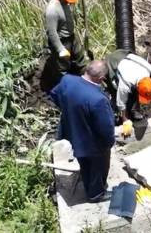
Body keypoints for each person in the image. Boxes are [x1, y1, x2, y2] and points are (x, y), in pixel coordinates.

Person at [49, 60, 115, 203]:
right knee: (98, 167)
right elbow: (105, 128)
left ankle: (88, 182)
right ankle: (96, 194)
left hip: (73, 131)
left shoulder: (67, 80)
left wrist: (70, 112)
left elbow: (54, 95)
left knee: (84, 162)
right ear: (101, 78)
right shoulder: (98, 99)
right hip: (92, 142)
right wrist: (109, 143)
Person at [104, 49, 151, 136]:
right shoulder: (126, 83)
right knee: (115, 92)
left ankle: (133, 111)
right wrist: (125, 120)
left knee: (132, 96)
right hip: (114, 62)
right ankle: (116, 116)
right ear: (137, 86)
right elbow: (121, 103)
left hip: (129, 59)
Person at [45, 0, 87, 79]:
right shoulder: (52, 10)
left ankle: (85, 79)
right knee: (63, 65)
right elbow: (52, 33)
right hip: (61, 40)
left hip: (72, 37)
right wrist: (61, 49)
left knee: (80, 58)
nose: (70, 2)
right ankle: (64, 82)